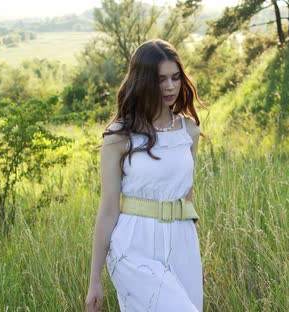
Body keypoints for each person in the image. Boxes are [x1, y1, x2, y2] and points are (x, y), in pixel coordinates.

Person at [85, 39, 204, 312]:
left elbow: (187, 195)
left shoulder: (189, 131)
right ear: (143, 82)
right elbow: (108, 209)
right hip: (134, 244)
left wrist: (194, 259)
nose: (170, 86)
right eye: (161, 79)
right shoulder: (119, 136)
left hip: (182, 240)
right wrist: (95, 280)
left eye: (175, 78)